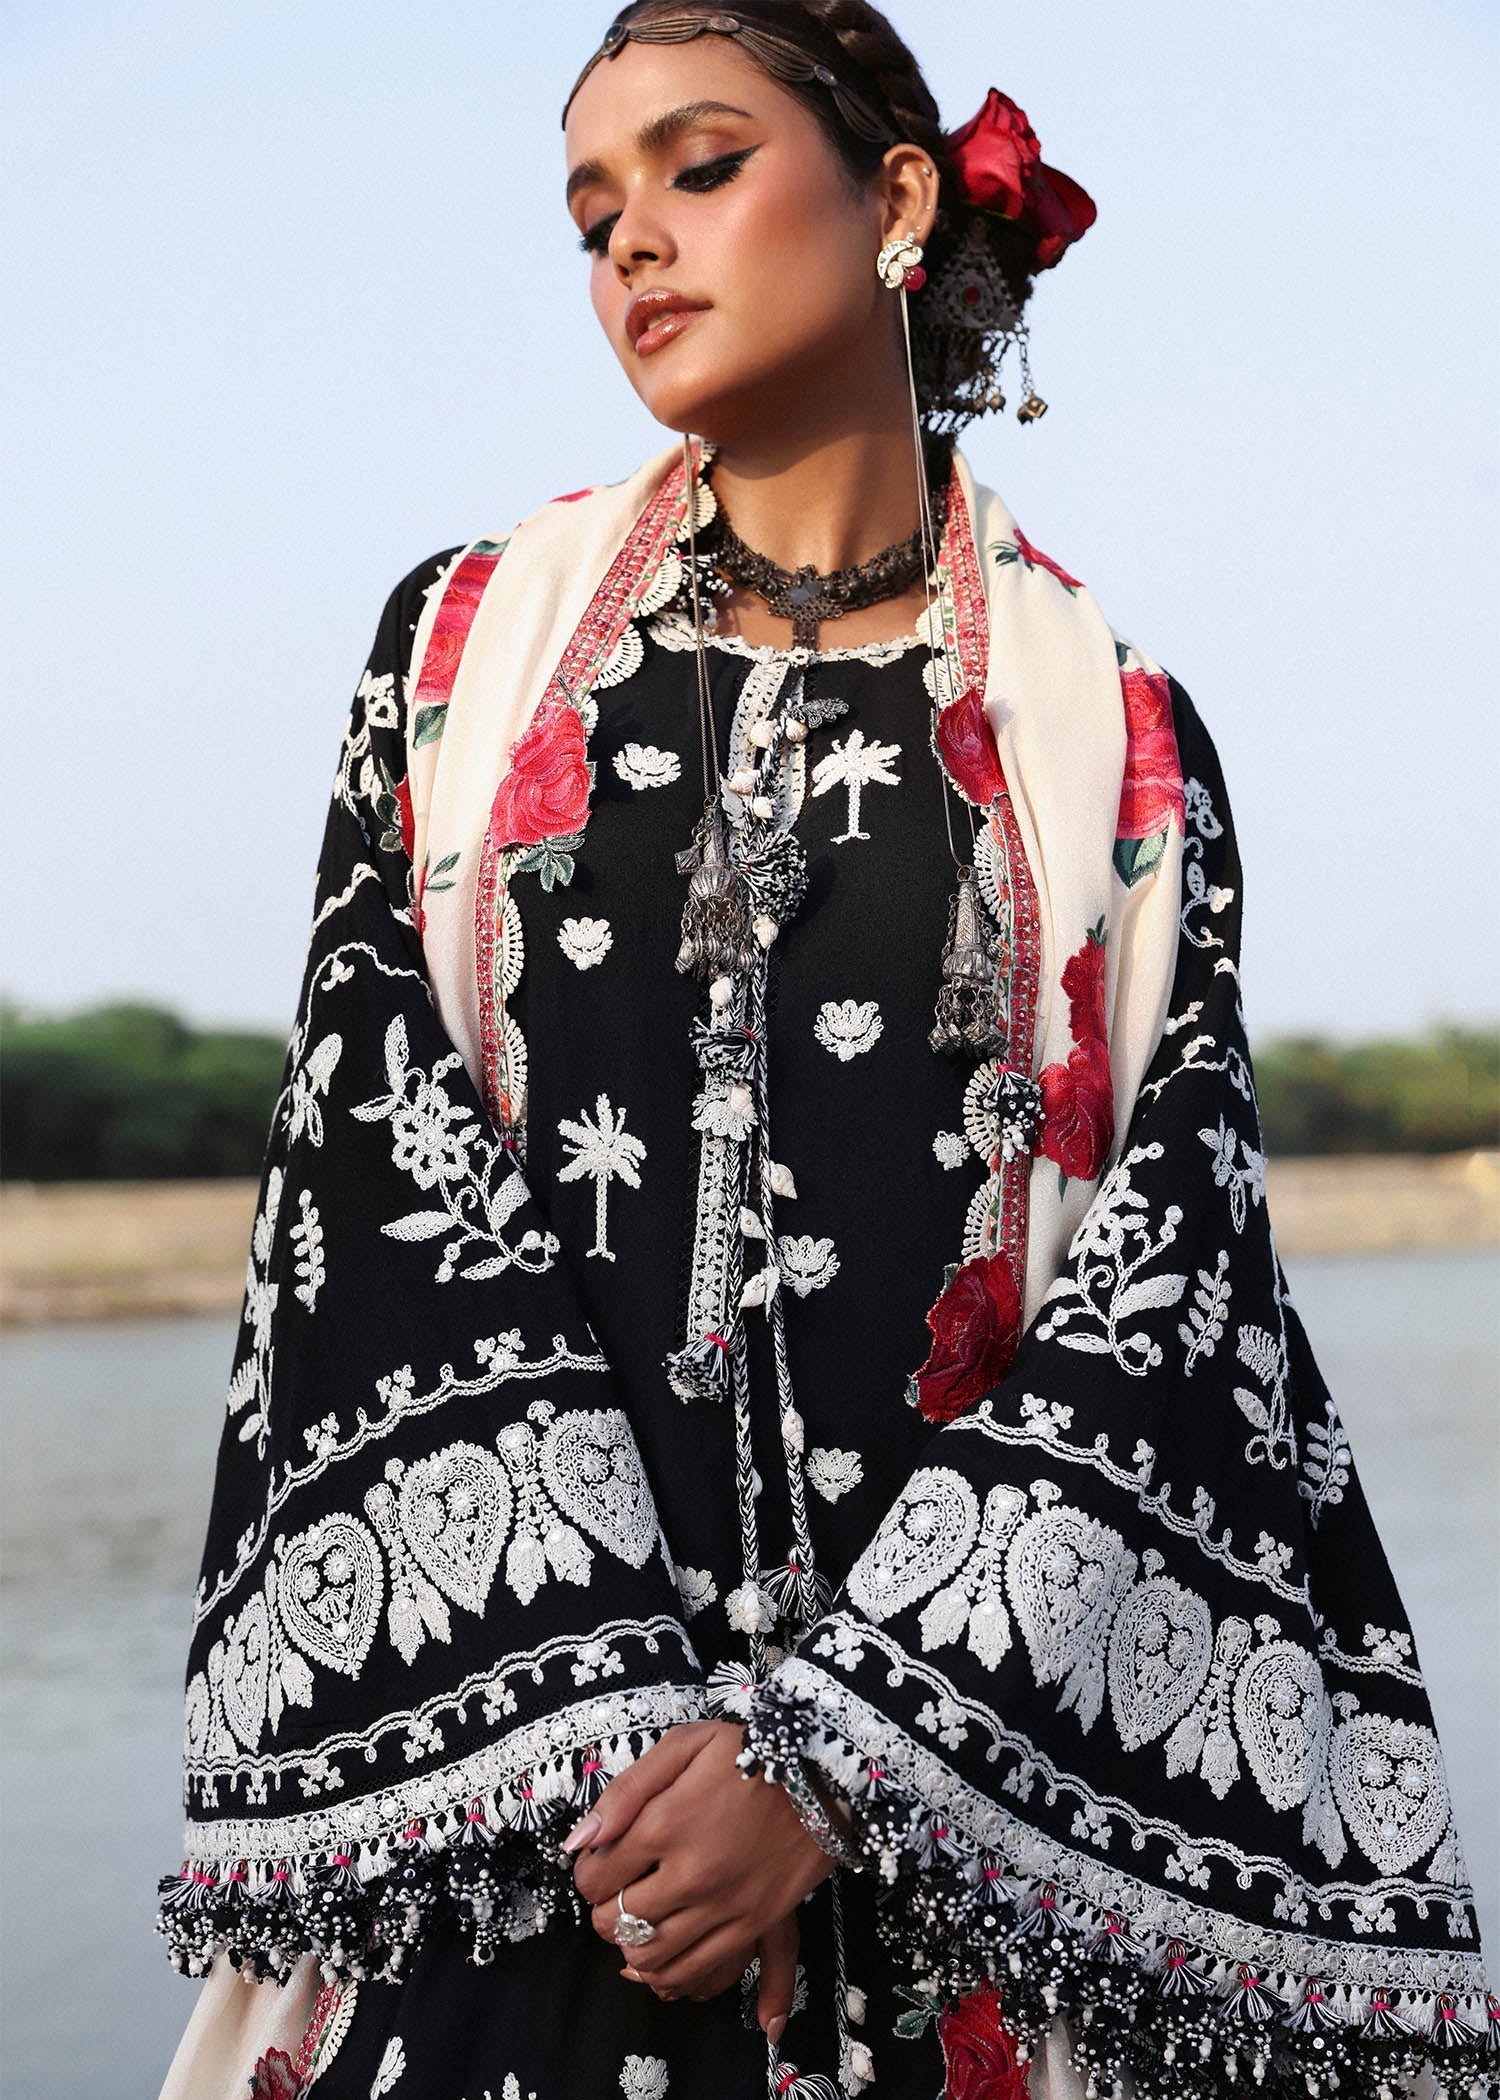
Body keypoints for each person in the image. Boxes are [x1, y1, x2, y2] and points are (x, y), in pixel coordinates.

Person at [156, 6, 1492, 2098]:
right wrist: (630, 1757)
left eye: (698, 168)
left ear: (895, 201)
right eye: (591, 212)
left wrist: (833, 1762)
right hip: (553, 1844)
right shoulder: (459, 662)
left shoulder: (1115, 740)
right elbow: (368, 1177)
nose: (632, 243)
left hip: (959, 1837)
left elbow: (1174, 1281)